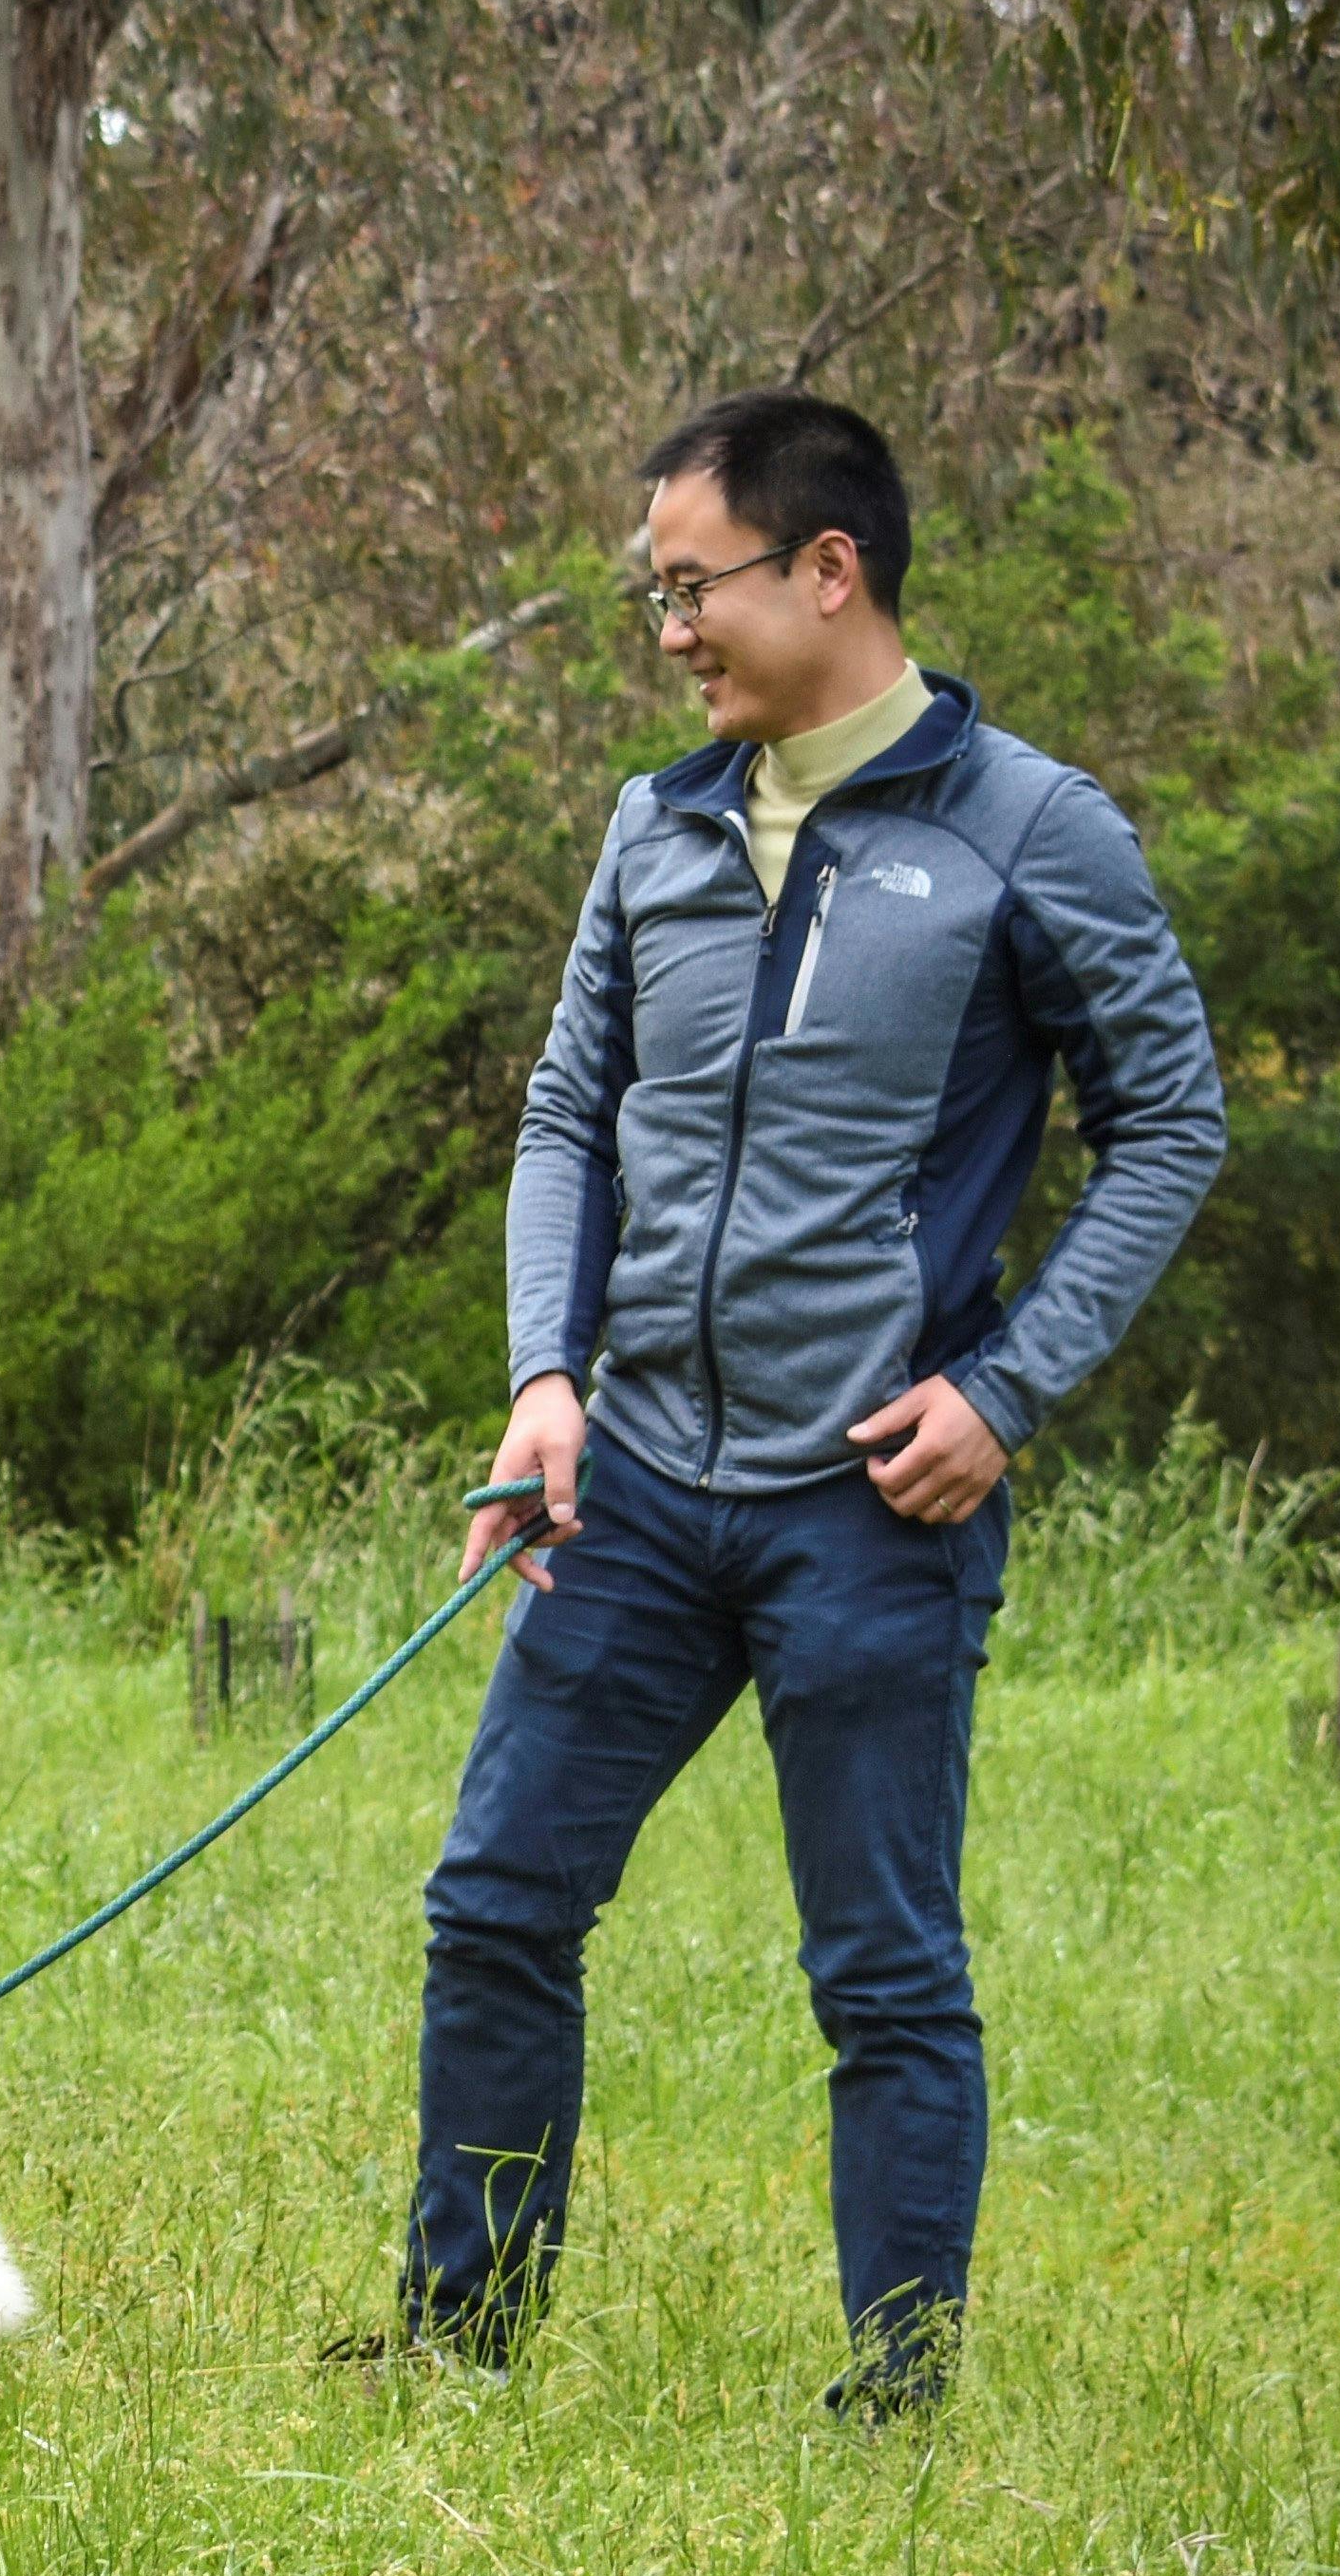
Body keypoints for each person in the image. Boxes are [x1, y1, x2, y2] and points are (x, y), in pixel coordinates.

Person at [414, 390, 1227, 2409]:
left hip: (874, 1502)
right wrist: (542, 1375)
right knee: (496, 1904)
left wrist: (1008, 1391)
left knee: (883, 1973)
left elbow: (1170, 1120)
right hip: (630, 1490)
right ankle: (463, 2343)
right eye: (658, 592)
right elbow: (565, 1116)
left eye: (692, 585)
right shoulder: (654, 821)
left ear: (829, 571)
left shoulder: (1033, 832)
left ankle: (899, 2396)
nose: (670, 628)